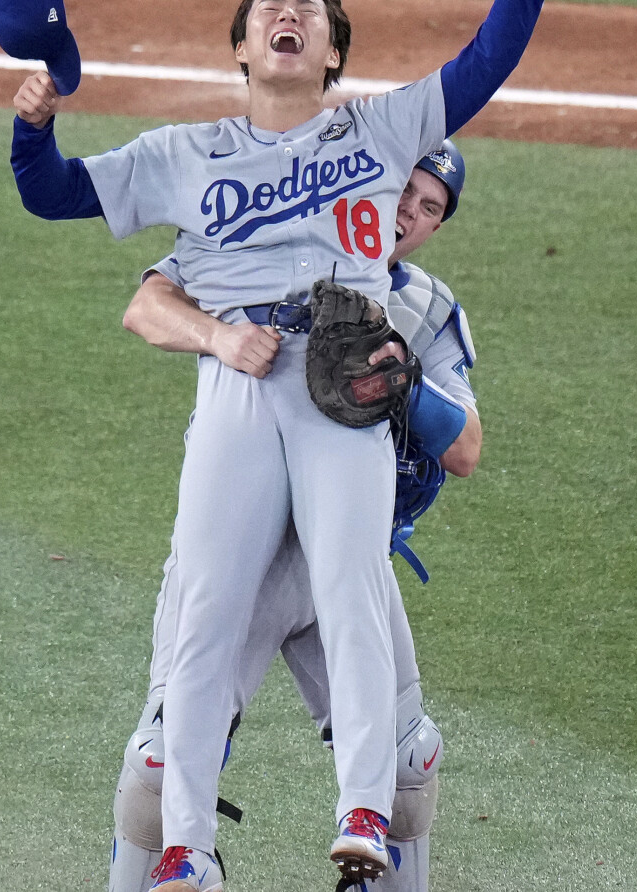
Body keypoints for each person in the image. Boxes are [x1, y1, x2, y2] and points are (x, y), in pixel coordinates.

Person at [9, 0, 545, 886]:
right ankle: (187, 850)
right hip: (240, 383)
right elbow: (52, 192)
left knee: (352, 585)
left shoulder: (382, 129)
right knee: (206, 618)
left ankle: (362, 811)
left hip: (339, 397)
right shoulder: (183, 154)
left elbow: (490, 56)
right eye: (270, 6)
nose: (288, 12)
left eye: (309, 7)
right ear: (242, 45)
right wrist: (36, 124)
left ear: (333, 50)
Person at [110, 142, 480, 892]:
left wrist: (399, 377)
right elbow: (146, 308)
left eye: (429, 207)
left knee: (409, 764)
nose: (408, 212)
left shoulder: (426, 307)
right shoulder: (263, 238)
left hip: (341, 560)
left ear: (438, 226)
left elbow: (466, 447)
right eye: (403, 190)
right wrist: (219, 334)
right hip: (236, 553)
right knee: (161, 765)